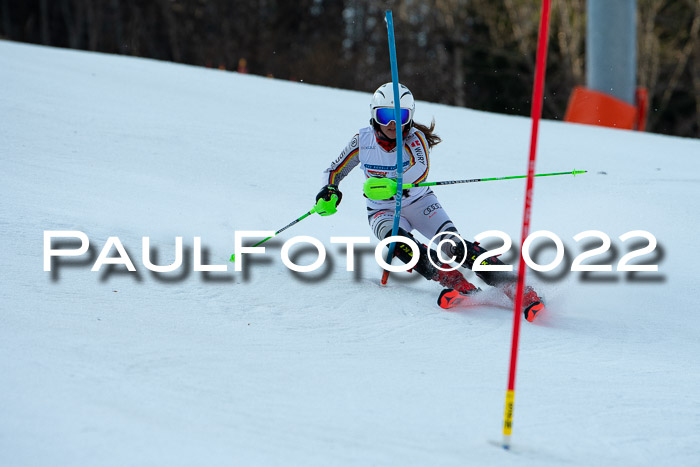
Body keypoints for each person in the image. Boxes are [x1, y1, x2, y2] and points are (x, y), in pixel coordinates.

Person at [314, 83, 544, 321]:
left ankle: (516, 287)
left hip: (420, 203)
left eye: (400, 116)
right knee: (399, 243)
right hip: (381, 210)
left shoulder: (416, 139)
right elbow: (334, 169)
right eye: (385, 115)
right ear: (374, 115)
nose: (393, 123)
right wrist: (329, 190)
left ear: (410, 117)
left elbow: (421, 169)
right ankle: (452, 280)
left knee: (453, 247)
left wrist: (393, 183)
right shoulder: (362, 140)